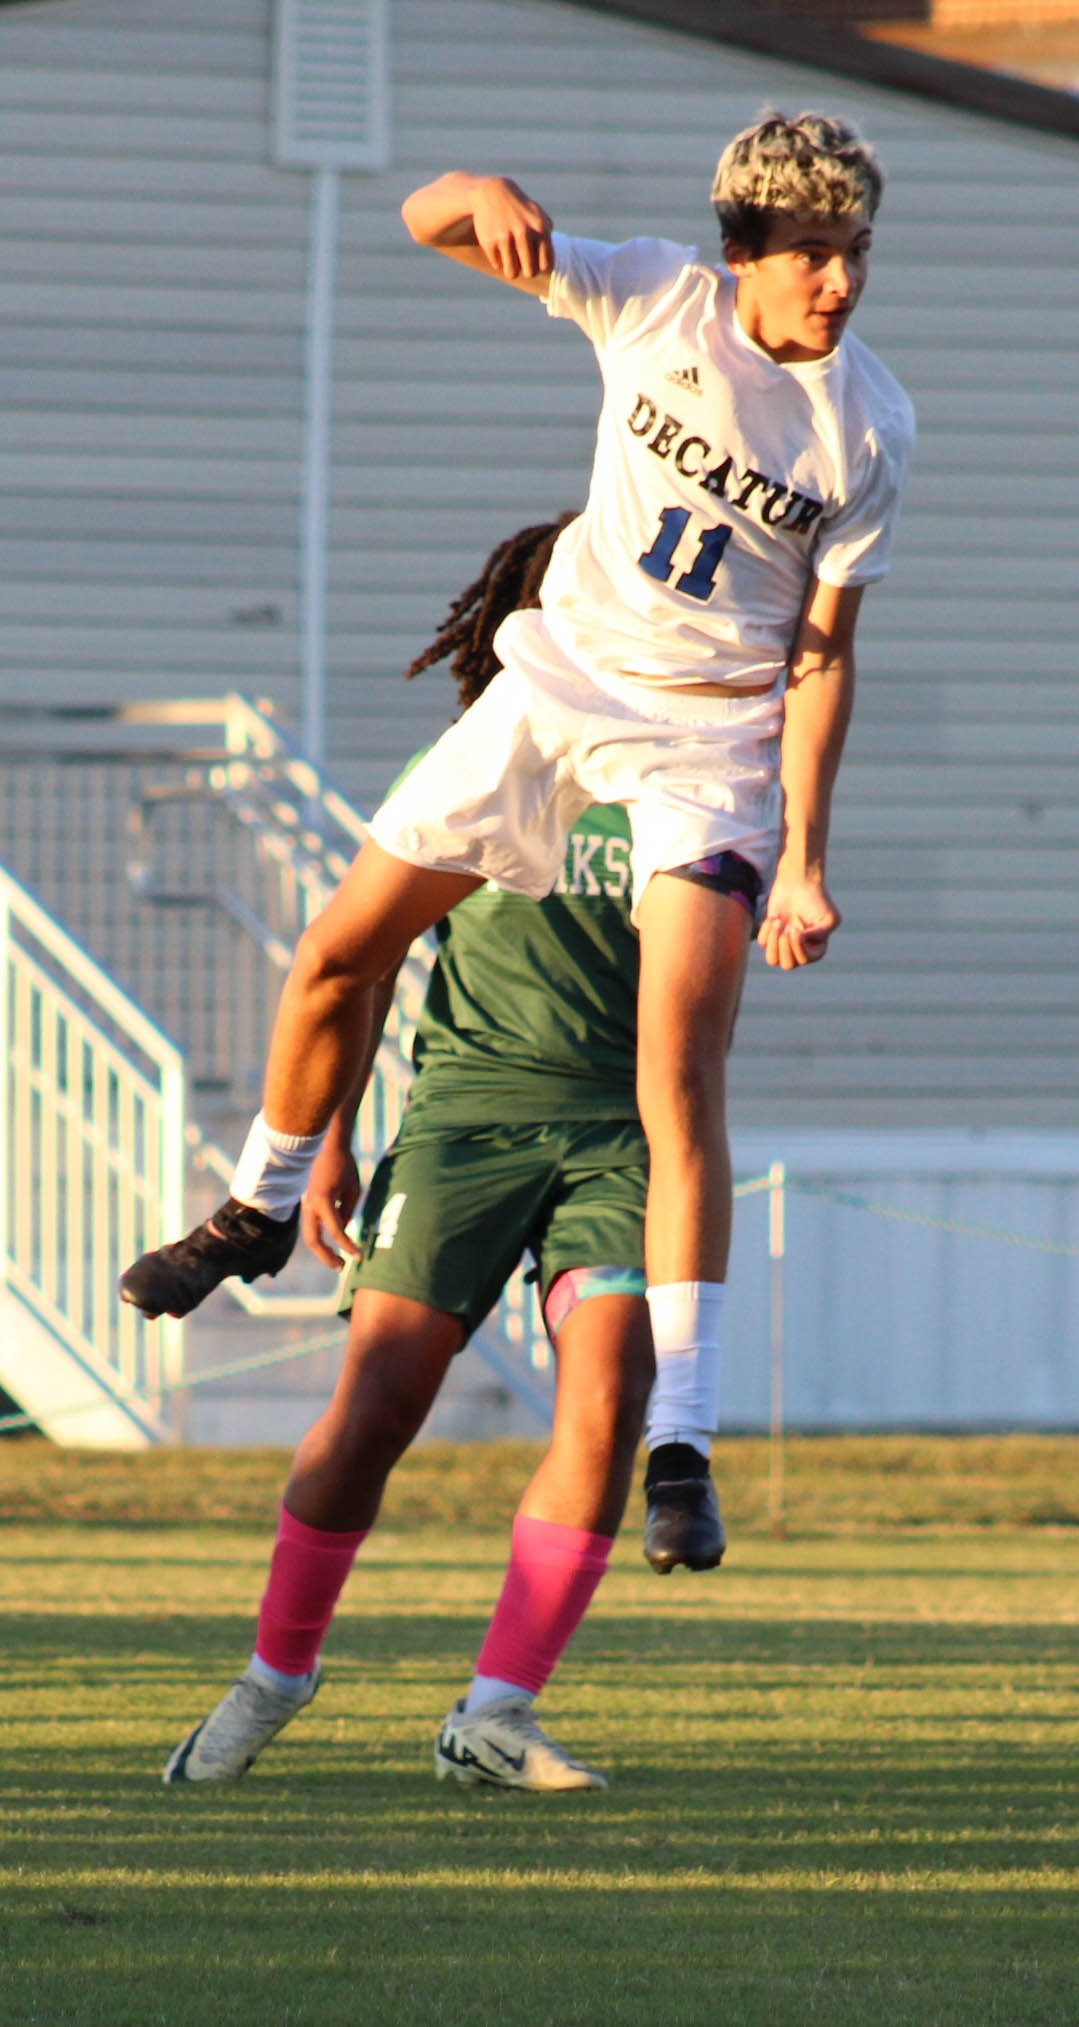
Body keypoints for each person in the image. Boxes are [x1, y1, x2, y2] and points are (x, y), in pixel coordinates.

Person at [122, 110, 913, 1558]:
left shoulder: (867, 424)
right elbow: (424, 220)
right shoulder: (653, 293)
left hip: (704, 743)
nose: (839, 281)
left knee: (677, 1075)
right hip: (554, 688)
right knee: (334, 954)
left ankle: (683, 1441)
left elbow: (821, 653)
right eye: (811, 252)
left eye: (853, 250)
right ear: (745, 250)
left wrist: (801, 852)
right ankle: (256, 1201)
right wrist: (468, 191)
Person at [159, 518, 729, 1797]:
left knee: (607, 1397)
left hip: (619, 1139)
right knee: (371, 1413)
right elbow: (354, 968)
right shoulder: (474, 761)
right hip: (464, 1121)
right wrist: (333, 1139)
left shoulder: (686, 770)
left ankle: (495, 1711)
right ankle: (275, 1674)